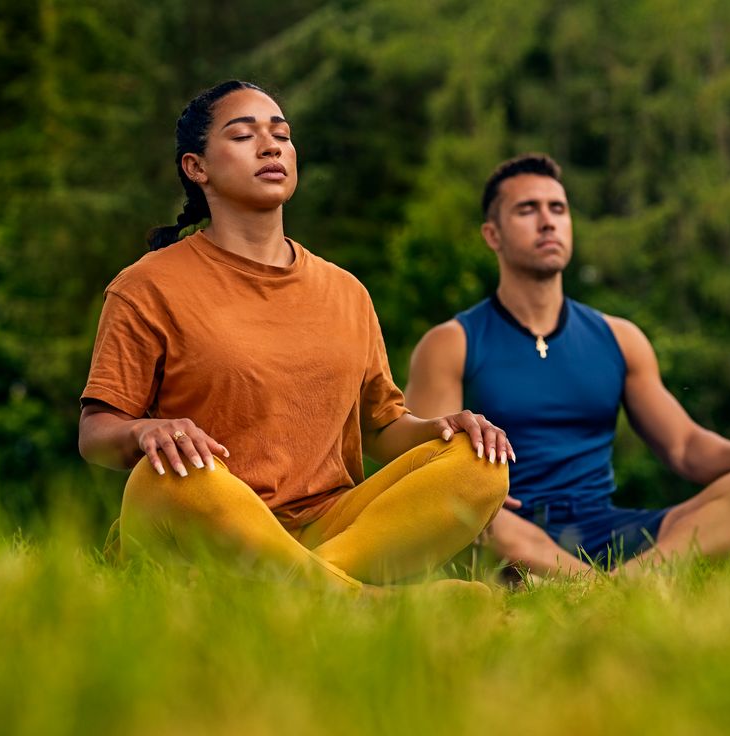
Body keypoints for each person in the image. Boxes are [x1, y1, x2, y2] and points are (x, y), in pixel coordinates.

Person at [78, 80, 510, 591]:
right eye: (243, 136)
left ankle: (306, 586)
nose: (270, 146)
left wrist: (443, 428)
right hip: (203, 522)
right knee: (167, 478)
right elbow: (95, 433)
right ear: (197, 168)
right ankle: (361, 598)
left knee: (478, 463)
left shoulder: (346, 291)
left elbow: (379, 427)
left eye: (281, 134)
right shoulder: (148, 285)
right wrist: (144, 431)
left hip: (329, 525)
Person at [404, 154, 730, 578]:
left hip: (604, 528)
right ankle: (622, 587)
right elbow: (423, 470)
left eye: (558, 208)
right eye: (527, 209)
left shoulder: (620, 339)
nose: (548, 221)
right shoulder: (450, 343)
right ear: (492, 235)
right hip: (506, 529)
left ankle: (597, 586)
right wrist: (476, 503)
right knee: (461, 511)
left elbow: (685, 448)